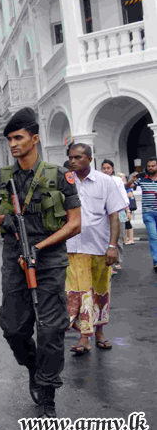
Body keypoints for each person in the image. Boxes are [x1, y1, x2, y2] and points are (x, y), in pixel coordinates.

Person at [0, 107, 81, 428]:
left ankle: (47, 393)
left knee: (50, 328)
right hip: (14, 258)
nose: (13, 144)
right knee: (14, 328)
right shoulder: (0, 178)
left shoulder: (60, 176)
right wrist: (3, 219)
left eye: (18, 138)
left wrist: (41, 246)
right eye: (10, 139)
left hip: (48, 260)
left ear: (35, 139)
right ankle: (33, 366)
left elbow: (74, 224)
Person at [66, 145, 123, 354]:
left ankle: (99, 333)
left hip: (99, 247)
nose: (73, 161)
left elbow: (114, 216)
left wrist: (112, 246)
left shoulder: (105, 182)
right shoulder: (66, 181)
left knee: (100, 292)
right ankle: (84, 337)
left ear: (89, 159)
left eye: (78, 157)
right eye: (71, 157)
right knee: (81, 294)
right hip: (72, 247)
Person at [125, 157, 157, 270]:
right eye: (149, 166)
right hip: (148, 213)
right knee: (153, 237)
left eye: (153, 166)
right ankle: (156, 261)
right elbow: (126, 187)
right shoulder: (143, 179)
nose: (150, 168)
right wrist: (131, 180)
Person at [100, 160, 129, 272]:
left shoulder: (117, 180)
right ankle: (109, 265)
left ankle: (117, 260)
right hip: (105, 213)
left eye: (108, 168)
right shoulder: (99, 180)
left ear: (112, 169)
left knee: (118, 237)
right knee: (107, 238)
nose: (106, 170)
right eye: (104, 168)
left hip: (118, 211)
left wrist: (126, 209)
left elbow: (123, 194)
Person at [124, 174, 136, 245]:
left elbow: (130, 195)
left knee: (127, 223)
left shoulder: (127, 187)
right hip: (123, 207)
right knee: (124, 224)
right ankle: (125, 239)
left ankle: (131, 239)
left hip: (126, 207)